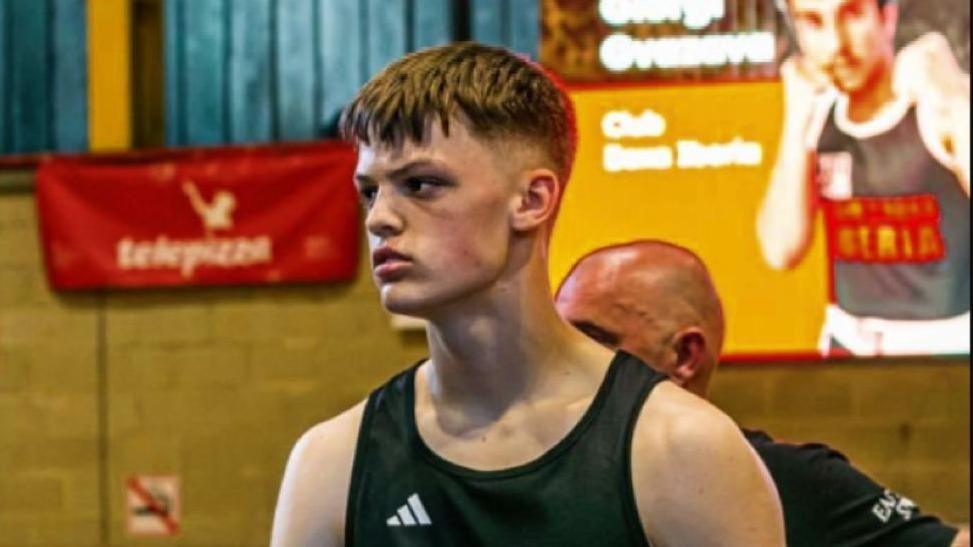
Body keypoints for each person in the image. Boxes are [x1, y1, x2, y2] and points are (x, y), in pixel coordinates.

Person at [270, 42, 785, 547]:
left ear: (532, 200)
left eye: (421, 184)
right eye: (370, 191)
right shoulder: (330, 464)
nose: (380, 217)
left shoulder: (682, 449)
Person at [555, 239, 971, 547]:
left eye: (591, 341)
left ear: (685, 355)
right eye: (554, 341)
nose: (559, 363)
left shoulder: (794, 480)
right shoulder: (517, 478)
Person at [758, 0, 970, 356]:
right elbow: (781, 251)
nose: (836, 44)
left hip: (945, 346)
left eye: (852, 14)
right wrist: (795, 126)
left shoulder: (934, 100)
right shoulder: (818, 114)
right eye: (812, 22)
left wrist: (957, 100)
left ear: (887, 16)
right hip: (847, 345)